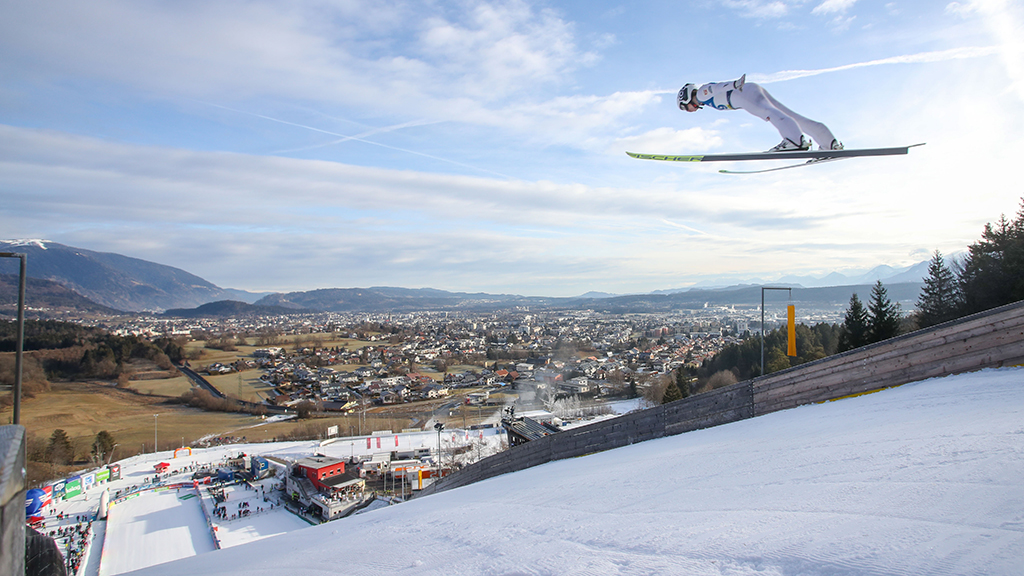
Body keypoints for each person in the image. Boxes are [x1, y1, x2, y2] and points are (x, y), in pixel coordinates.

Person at [678, 74, 842, 152]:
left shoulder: (700, 95)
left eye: (685, 107)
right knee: (789, 114)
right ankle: (829, 142)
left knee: (768, 112)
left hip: (742, 94)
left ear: (686, 98)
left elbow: (716, 87)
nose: (689, 111)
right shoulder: (704, 99)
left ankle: (794, 141)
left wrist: (734, 84)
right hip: (747, 91)